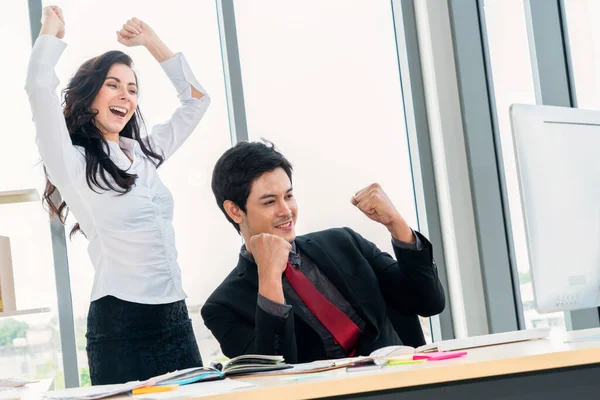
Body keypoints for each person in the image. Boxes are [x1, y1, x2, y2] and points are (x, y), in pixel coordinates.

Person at [25, 6, 211, 384]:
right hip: (122, 324)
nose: (125, 96)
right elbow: (38, 85)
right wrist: (50, 32)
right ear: (90, 93)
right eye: (113, 84)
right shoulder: (72, 162)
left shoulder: (143, 153)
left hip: (176, 318)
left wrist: (151, 41)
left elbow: (196, 101)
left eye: (132, 89)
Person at [201, 141, 445, 364]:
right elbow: (271, 375)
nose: (286, 211)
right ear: (235, 211)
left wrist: (396, 225)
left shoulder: (344, 242)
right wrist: (269, 278)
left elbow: (429, 301)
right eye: (269, 202)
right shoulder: (222, 306)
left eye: (288, 196)